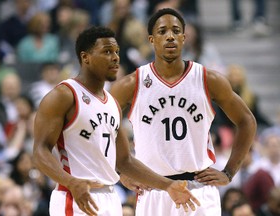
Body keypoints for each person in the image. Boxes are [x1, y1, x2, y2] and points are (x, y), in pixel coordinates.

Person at [32, 26, 200, 216]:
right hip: (76, 197)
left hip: (111, 198)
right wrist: (71, 181)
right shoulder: (64, 95)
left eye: (116, 52)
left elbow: (124, 161)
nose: (115, 57)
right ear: (85, 57)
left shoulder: (111, 102)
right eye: (107, 52)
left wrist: (168, 185)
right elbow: (39, 152)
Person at [110, 8, 257, 215]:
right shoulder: (131, 84)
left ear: (184, 37)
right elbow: (102, 126)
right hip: (153, 189)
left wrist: (229, 172)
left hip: (199, 188)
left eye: (175, 30)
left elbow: (247, 121)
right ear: (151, 39)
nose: (170, 36)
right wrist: (119, 171)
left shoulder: (208, 80)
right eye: (162, 31)